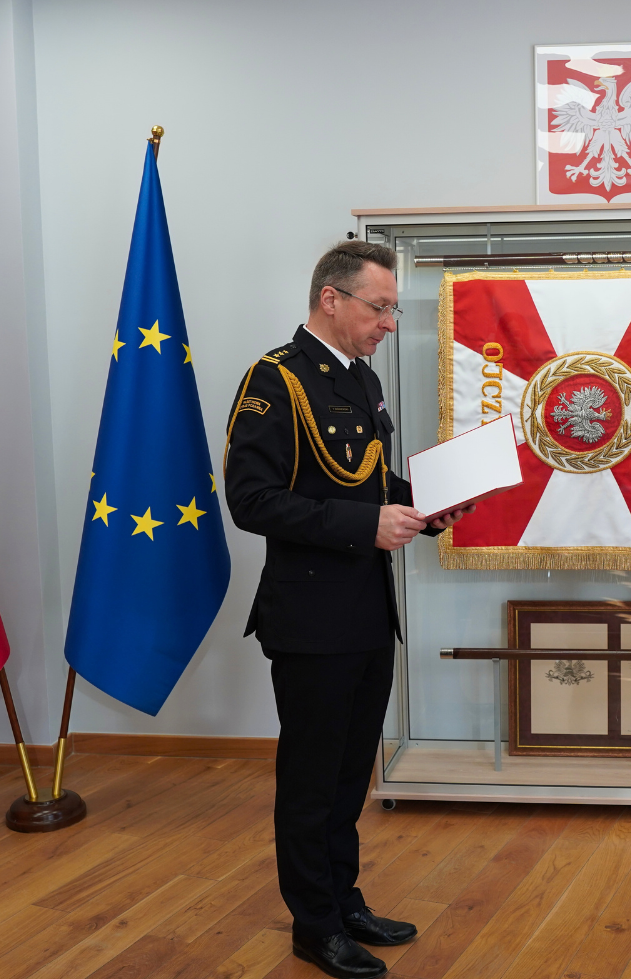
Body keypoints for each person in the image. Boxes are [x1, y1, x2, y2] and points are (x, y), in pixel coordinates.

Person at [225, 240, 471, 979]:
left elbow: (364, 479)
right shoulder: (276, 379)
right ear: (331, 299)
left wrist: (423, 505)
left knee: (348, 775)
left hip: (366, 608)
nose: (390, 323)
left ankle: (344, 900)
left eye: (393, 309)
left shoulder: (361, 378)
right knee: (311, 779)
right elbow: (251, 501)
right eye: (380, 307)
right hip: (309, 616)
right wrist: (365, 525)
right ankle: (315, 925)